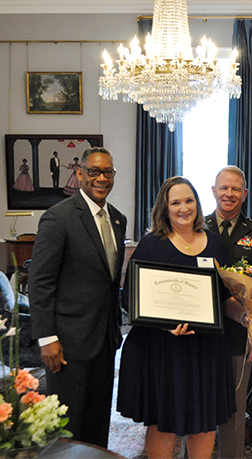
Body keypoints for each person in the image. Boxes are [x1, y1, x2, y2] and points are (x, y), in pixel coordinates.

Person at [117, 176, 246, 459]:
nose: (183, 208)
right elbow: (130, 299)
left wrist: (246, 314)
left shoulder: (213, 243)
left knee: (203, 421)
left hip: (206, 350)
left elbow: (221, 297)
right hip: (163, 351)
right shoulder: (152, 244)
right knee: (163, 422)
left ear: (198, 205)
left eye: (189, 201)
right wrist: (166, 325)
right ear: (165, 208)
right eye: (175, 202)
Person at [28, 146, 127, 448]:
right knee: (68, 427)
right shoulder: (59, 218)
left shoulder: (118, 219)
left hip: (105, 339)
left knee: (98, 420)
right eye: (94, 171)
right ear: (80, 173)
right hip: (68, 343)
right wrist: (47, 338)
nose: (101, 178)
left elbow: (109, 282)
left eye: (107, 172)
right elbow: (40, 282)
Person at [205, 166, 252, 459]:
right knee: (198, 402)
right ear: (213, 191)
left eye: (235, 189)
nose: (229, 194)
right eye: (223, 188)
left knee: (234, 406)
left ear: (245, 194)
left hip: (239, 334)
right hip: (200, 332)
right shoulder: (195, 227)